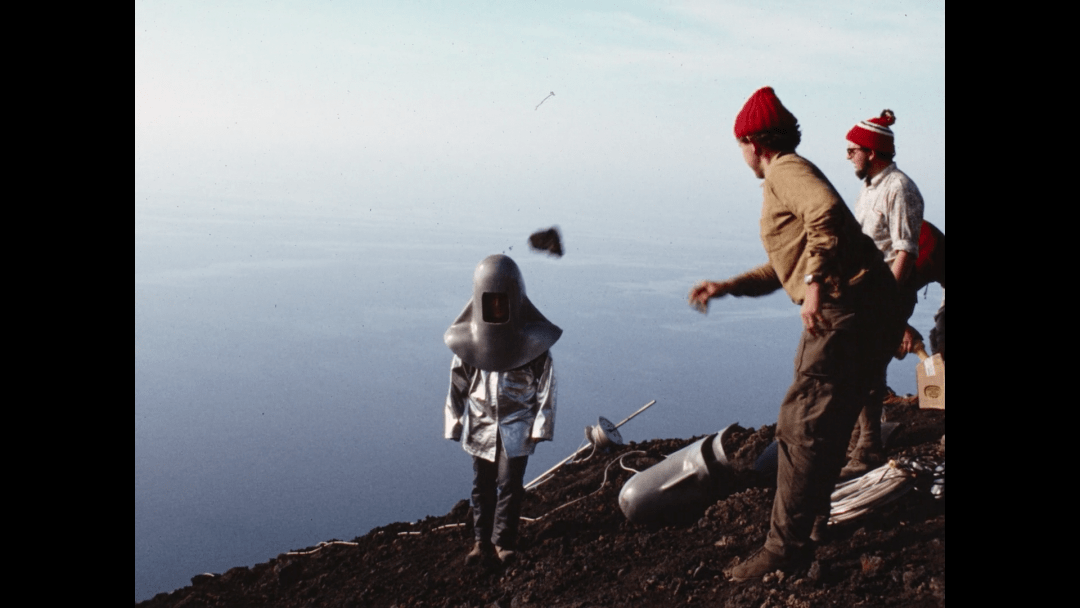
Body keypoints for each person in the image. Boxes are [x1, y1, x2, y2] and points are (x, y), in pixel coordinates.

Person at [688, 87, 903, 580]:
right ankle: (811, 528)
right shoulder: (785, 174)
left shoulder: (784, 169)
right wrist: (729, 286)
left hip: (843, 310)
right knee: (823, 426)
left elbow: (824, 211)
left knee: (800, 426)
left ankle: (784, 549)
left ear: (752, 142)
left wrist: (814, 285)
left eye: (740, 144)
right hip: (868, 309)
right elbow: (787, 261)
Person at [444, 254, 561, 566]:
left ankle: (503, 543)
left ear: (514, 300)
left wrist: (539, 428)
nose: (496, 307)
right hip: (481, 423)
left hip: (517, 424)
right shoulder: (469, 345)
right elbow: (457, 385)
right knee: (481, 486)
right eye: (490, 301)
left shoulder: (534, 347)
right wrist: (453, 421)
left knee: (510, 485)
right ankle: (481, 542)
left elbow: (546, 390)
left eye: (501, 301)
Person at [842, 110, 925, 476]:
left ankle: (868, 447)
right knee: (860, 366)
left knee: (867, 368)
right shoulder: (871, 187)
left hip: (885, 292)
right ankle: (862, 440)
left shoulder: (899, 189)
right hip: (867, 292)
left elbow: (904, 249)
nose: (848, 156)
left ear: (871, 152)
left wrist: (886, 302)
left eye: (852, 150)